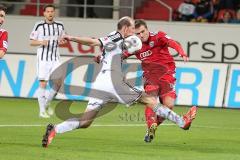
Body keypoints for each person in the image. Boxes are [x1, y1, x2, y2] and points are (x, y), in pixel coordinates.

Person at [41, 17, 197, 148]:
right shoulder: (115, 36)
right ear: (125, 28)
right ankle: (182, 122)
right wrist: (71, 38)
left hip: (99, 85)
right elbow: (94, 42)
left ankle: (55, 129)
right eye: (131, 28)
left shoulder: (118, 42)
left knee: (85, 121)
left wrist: (99, 57)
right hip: (113, 83)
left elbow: (109, 53)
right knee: (150, 100)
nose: (133, 32)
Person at [123, 19, 194, 143]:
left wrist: (182, 52)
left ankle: (153, 126)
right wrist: (104, 58)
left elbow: (172, 42)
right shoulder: (135, 45)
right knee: (151, 99)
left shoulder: (158, 36)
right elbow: (122, 54)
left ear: (147, 29)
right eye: (138, 34)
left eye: (143, 32)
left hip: (167, 74)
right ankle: (150, 125)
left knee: (169, 105)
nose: (141, 35)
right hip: (151, 76)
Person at [30, 4, 67, 118]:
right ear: (44, 13)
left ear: (54, 13)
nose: (50, 13)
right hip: (43, 58)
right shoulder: (39, 25)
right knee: (43, 83)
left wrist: (62, 42)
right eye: (48, 11)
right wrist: (41, 42)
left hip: (55, 57)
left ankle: (47, 103)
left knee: (59, 82)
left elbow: (64, 39)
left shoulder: (60, 25)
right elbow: (31, 42)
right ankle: (41, 111)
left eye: (52, 11)